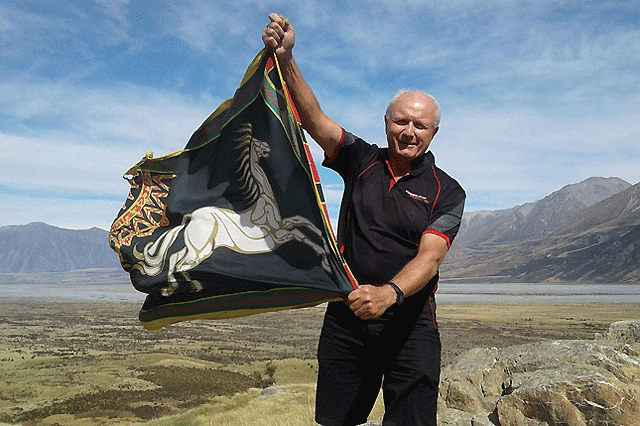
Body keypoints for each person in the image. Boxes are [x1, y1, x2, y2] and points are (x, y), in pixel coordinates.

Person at [263, 13, 466, 426]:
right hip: (348, 316)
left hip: (410, 324)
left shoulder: (447, 191)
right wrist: (285, 59)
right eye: (401, 121)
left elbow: (429, 258)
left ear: (433, 133)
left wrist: (389, 294)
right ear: (386, 123)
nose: (409, 131)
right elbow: (314, 119)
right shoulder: (361, 159)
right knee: (336, 419)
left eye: (420, 125)